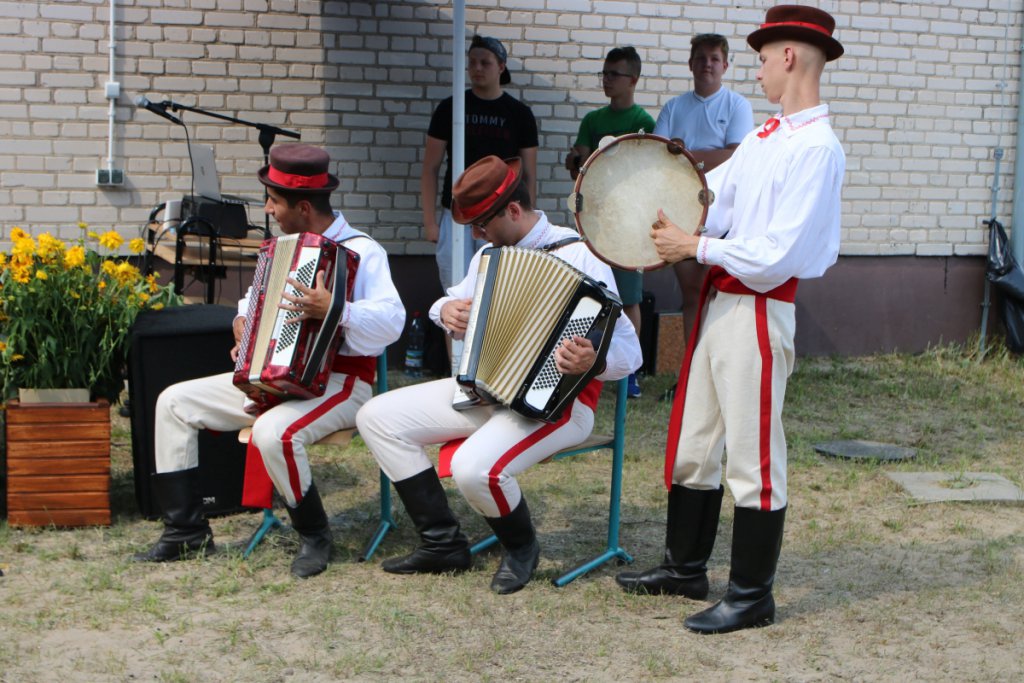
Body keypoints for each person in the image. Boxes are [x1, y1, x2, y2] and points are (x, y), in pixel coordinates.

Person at [616, 5, 846, 635]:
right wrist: (653, 196)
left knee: (753, 454)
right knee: (696, 443)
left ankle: (751, 596)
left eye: (764, 58)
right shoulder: (767, 137)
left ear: (790, 56)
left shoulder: (818, 149)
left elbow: (778, 256)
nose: (761, 70)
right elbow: (712, 205)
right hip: (722, 303)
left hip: (759, 308)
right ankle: (685, 567)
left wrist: (696, 248)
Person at [357, 155, 642, 595]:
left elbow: (631, 352)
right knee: (377, 417)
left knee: (474, 467)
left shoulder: (580, 254)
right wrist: (444, 310)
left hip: (557, 405)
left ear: (513, 210)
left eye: (479, 224)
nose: (475, 235)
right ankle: (442, 543)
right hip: (486, 391)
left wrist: (595, 363)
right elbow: (445, 304)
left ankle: (521, 548)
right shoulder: (490, 256)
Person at [133, 144, 405, 579]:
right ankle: (185, 530)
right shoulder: (280, 249)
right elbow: (251, 302)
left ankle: (315, 535)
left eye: (273, 201)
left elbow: (392, 323)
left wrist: (335, 310)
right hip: (274, 379)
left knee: (272, 430)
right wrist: (243, 323)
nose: (268, 209)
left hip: (343, 383)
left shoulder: (362, 251)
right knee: (173, 402)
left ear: (301, 206)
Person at [654, 33, 754, 402]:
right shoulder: (674, 108)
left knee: (720, 294)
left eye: (714, 58)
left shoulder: (737, 105)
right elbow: (659, 155)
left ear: (725, 65)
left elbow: (736, 155)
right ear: (691, 63)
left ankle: (718, 378)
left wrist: (688, 152)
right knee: (692, 294)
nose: (707, 64)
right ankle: (690, 376)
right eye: (701, 57)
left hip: (724, 211)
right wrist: (701, 154)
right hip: (682, 211)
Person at [566, 46, 655, 399]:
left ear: (632, 80)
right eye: (604, 73)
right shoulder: (592, 120)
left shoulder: (644, 122)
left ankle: (627, 372)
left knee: (628, 296)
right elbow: (583, 167)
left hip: (630, 221)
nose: (606, 80)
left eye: (613, 74)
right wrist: (576, 160)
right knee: (590, 291)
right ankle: (589, 362)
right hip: (593, 219)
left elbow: (643, 171)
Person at [421, 35, 539, 290]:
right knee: (456, 290)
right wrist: (430, 222)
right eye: (472, 62)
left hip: (504, 213)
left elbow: (529, 174)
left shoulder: (519, 114)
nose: (476, 68)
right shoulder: (450, 108)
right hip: (457, 214)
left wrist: (528, 220)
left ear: (501, 66)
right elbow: (430, 168)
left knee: (500, 286)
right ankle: (454, 333)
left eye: (485, 62)